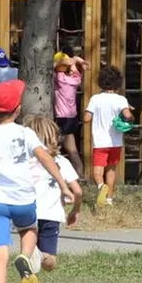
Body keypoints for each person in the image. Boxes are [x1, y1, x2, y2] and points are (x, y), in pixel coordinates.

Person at [0, 80, 74, 283]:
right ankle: (24, 256)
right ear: (18, 110)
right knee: (29, 230)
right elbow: (46, 158)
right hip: (23, 199)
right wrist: (63, 185)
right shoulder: (25, 133)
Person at [23, 115, 83, 274]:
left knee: (28, 250)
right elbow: (77, 190)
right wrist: (76, 210)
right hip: (50, 215)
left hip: (26, 212)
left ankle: (30, 261)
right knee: (50, 263)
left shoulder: (24, 162)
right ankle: (40, 258)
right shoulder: (62, 163)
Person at [83, 65, 134, 207]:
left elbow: (87, 118)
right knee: (111, 171)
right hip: (115, 142)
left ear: (101, 81)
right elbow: (127, 115)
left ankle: (101, 187)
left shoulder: (95, 99)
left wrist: (86, 116)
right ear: (118, 82)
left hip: (100, 142)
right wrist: (131, 116)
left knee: (97, 173)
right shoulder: (121, 99)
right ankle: (109, 200)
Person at [53, 47, 90, 178]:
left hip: (63, 118)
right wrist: (77, 61)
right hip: (72, 117)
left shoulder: (60, 78)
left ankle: (78, 176)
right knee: (70, 150)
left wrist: (72, 60)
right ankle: (79, 175)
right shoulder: (76, 78)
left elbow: (55, 66)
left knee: (65, 150)